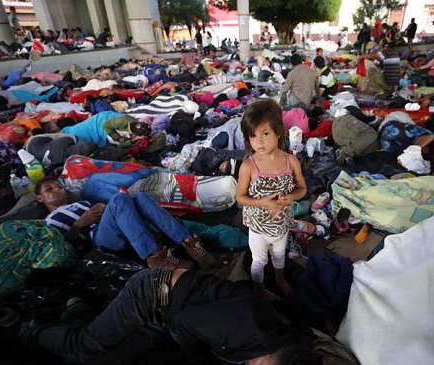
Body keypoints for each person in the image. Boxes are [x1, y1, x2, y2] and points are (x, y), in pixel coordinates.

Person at [23, 261, 314, 365]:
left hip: (172, 313)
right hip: (151, 295)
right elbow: (184, 323)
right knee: (83, 350)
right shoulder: (243, 325)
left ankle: (77, 309)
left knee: (107, 359)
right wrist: (197, 358)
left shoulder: (281, 338)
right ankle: (33, 330)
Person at [35, 176, 214, 268]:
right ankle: (156, 257)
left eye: (58, 185)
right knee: (119, 199)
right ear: (40, 199)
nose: (57, 190)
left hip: (115, 228)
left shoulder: (80, 203)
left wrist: (104, 209)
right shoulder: (50, 221)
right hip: (97, 243)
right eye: (49, 189)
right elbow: (59, 249)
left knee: (141, 198)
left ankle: (190, 243)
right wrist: (80, 223)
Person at [236, 100, 307, 301]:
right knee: (259, 260)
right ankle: (259, 288)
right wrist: (263, 203)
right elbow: (240, 197)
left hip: (281, 225)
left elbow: (302, 188)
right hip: (258, 227)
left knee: (279, 255)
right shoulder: (248, 166)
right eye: (253, 135)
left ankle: (280, 279)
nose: (258, 141)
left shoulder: (290, 161)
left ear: (278, 133)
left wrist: (292, 196)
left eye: (265, 134)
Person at [59, 112, 150, 148]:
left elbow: (122, 145)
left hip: (106, 126)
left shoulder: (137, 132)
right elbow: (105, 125)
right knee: (76, 139)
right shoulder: (124, 120)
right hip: (98, 124)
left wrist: (134, 140)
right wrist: (117, 138)